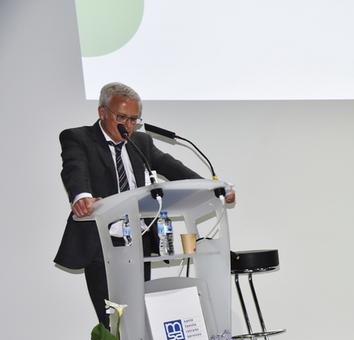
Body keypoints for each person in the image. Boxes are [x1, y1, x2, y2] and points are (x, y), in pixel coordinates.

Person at [54, 82, 235, 325]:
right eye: (121, 118)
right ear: (102, 112)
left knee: (139, 320)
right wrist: (82, 196)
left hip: (138, 243)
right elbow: (75, 169)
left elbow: (176, 170)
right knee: (113, 324)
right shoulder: (78, 138)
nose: (127, 125)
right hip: (101, 245)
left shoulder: (141, 142)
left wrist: (214, 189)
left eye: (134, 119)